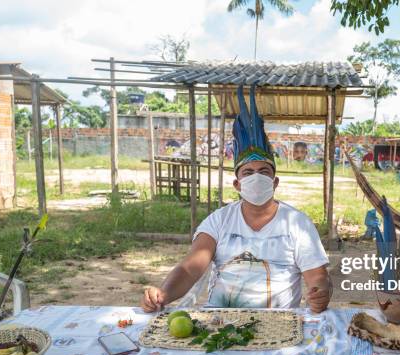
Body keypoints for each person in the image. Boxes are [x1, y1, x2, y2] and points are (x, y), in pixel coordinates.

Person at [141, 85, 331, 314]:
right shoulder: (219, 221)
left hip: (280, 323)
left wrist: (320, 293)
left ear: (275, 182)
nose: (257, 177)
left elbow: (318, 277)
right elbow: (190, 268)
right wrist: (164, 293)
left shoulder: (297, 223)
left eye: (264, 171)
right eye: (248, 173)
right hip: (220, 322)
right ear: (237, 185)